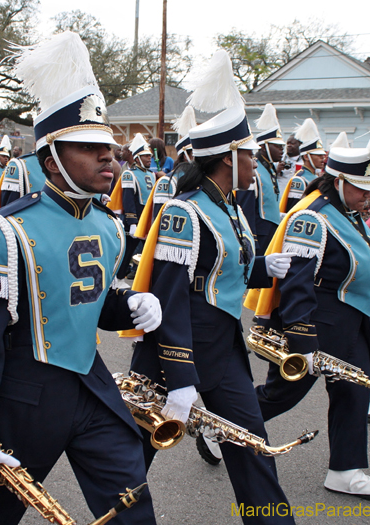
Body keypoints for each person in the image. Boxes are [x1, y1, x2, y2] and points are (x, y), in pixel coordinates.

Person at [0, 31, 159, 525]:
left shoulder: (110, 224)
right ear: (51, 159)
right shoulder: (6, 230)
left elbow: (88, 303)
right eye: (90, 149)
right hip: (24, 395)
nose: (108, 159)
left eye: (110, 150)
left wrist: (130, 304)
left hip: (92, 387)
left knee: (133, 507)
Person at [129, 49, 295, 524]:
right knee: (133, 457)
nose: (257, 162)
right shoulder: (184, 210)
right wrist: (179, 376)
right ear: (229, 157)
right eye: (251, 154)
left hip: (222, 343)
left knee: (251, 444)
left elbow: (226, 270)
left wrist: (266, 267)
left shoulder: (231, 206)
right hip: (178, 343)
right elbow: (170, 296)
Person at [249, 110, 370, 502]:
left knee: (354, 391)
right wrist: (303, 343)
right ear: (338, 182)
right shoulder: (312, 219)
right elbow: (297, 284)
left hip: (351, 322)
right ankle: (227, 427)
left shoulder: (349, 214)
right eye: (361, 187)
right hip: (318, 321)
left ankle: (346, 470)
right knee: (285, 393)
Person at [236, 103, 285, 253]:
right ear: (263, 147)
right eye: (277, 146)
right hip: (259, 237)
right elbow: (246, 210)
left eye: (282, 146)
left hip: (271, 234)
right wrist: (252, 242)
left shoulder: (269, 169)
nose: (282, 150)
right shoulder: (253, 171)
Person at [113, 133, 155, 287]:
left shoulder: (152, 175)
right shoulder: (129, 175)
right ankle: (118, 278)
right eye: (145, 156)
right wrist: (132, 221)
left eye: (150, 156)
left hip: (149, 219)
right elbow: (128, 200)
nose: (149, 159)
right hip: (136, 220)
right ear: (137, 158)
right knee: (128, 251)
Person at [279, 118, 326, 214]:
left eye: (323, 155)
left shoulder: (315, 177)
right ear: (306, 157)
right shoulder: (300, 180)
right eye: (318, 155)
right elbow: (293, 211)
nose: (323, 158)